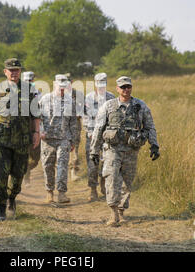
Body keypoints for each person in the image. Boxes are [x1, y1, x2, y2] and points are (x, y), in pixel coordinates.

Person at [90, 76, 160, 227]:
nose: (126, 90)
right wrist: (94, 150)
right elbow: (99, 128)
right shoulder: (109, 106)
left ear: (131, 88)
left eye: (128, 87)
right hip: (112, 149)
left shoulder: (140, 106)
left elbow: (149, 126)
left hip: (131, 150)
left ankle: (122, 212)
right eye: (123, 87)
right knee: (112, 178)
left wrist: (154, 145)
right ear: (117, 89)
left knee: (127, 182)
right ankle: (113, 212)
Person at [0, 58, 41, 221]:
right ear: (5, 72)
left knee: (18, 176)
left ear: (20, 72)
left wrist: (36, 132)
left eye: (17, 70)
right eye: (11, 70)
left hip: (22, 141)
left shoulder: (29, 90)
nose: (14, 72)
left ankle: (12, 198)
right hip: (1, 141)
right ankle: (0, 209)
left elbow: (35, 114)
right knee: (1, 175)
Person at [39, 74, 78, 204]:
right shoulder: (44, 99)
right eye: (59, 86)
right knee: (47, 166)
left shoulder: (70, 101)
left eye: (64, 87)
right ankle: (49, 192)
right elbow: (36, 118)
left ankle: (62, 193)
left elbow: (73, 122)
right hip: (47, 139)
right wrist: (40, 131)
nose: (62, 89)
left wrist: (73, 141)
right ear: (54, 84)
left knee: (62, 165)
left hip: (64, 138)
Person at [83, 73, 116, 201]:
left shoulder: (111, 97)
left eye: (103, 85)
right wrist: (90, 132)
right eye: (99, 85)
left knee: (107, 162)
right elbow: (85, 118)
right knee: (92, 163)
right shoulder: (88, 98)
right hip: (92, 136)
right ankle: (92, 189)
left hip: (107, 136)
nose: (101, 88)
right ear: (95, 84)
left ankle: (103, 183)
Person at [22, 71, 42, 185]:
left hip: (35, 129)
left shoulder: (39, 94)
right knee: (24, 155)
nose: (29, 82)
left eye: (30, 80)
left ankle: (27, 170)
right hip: (23, 130)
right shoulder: (18, 94)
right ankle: (26, 177)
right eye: (26, 80)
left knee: (35, 159)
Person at [65, 72, 84, 182]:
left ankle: (73, 172)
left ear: (71, 83)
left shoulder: (78, 94)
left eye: (68, 82)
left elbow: (82, 110)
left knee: (75, 149)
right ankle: (63, 172)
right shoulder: (57, 94)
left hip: (75, 125)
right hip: (62, 125)